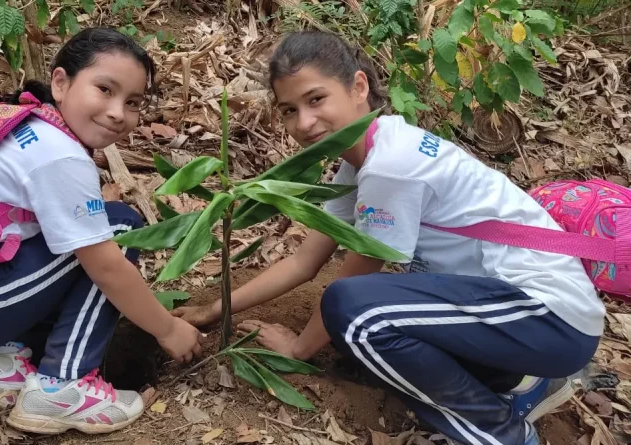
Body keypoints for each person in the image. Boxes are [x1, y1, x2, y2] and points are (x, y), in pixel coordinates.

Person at [173, 30, 605, 445]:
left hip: (547, 319)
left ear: (358, 86)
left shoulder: (389, 166)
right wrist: (216, 309)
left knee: (353, 313)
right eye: (289, 110)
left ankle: (498, 432)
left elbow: (355, 283)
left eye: (316, 99)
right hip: (528, 316)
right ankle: (519, 383)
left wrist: (299, 348)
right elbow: (305, 262)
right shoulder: (365, 160)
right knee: (356, 323)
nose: (304, 122)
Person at [0, 27, 204, 435]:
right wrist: (167, 328)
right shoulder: (59, 155)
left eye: (132, 102)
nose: (117, 112)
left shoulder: (31, 128)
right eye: (105, 89)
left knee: (98, 229)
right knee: (120, 227)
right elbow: (106, 269)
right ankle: (63, 386)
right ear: (61, 82)